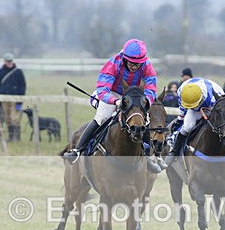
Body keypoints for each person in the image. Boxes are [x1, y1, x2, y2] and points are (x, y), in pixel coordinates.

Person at [62, 39, 160, 173]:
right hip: (112, 93)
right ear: (125, 59)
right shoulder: (113, 63)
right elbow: (102, 90)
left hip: (133, 94)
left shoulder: (146, 64)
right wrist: (116, 101)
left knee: (144, 120)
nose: (134, 66)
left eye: (137, 64)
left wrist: (147, 101)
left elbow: (151, 87)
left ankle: (148, 158)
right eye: (131, 63)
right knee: (102, 117)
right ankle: (78, 151)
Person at [165, 76, 225, 168]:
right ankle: (174, 151)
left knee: (222, 126)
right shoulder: (181, 92)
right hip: (192, 106)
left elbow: (222, 109)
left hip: (213, 105)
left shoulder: (213, 95)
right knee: (188, 127)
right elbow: (181, 114)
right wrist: (179, 122)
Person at [0, 53, 26, 142]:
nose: (9, 63)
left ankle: (17, 138)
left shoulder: (18, 72)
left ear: (13, 61)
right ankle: (11, 138)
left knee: (14, 118)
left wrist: (20, 101)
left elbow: (22, 86)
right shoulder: (1, 71)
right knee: (7, 118)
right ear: (5, 61)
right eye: (7, 61)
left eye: (10, 61)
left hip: (15, 99)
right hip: (4, 98)